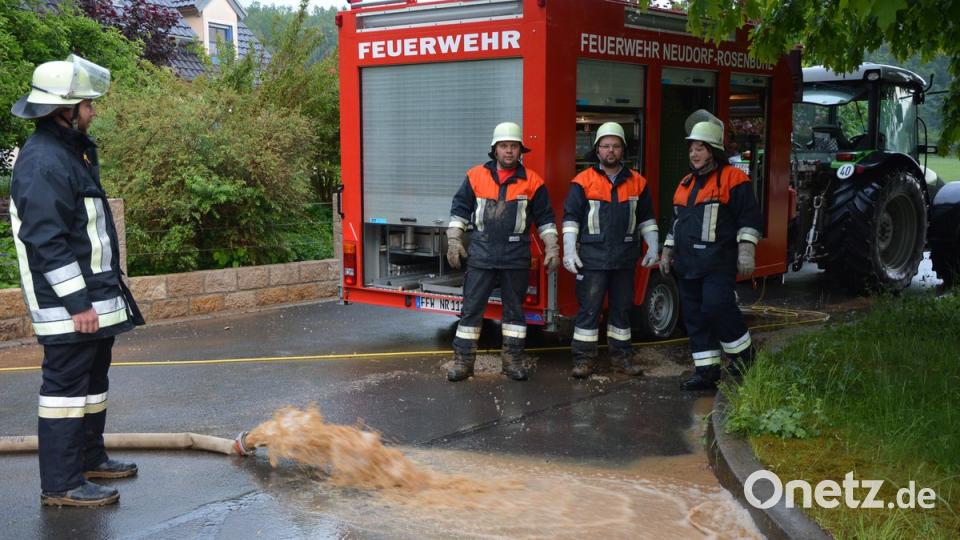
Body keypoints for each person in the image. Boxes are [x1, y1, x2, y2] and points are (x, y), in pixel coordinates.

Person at [10, 55, 144, 506]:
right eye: (86, 105)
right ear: (62, 111)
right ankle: (62, 485)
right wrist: (78, 304)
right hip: (72, 308)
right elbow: (47, 242)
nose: (92, 111)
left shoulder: (69, 153)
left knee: (91, 385)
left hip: (93, 302)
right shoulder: (44, 163)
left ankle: (89, 459)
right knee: (65, 394)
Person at [446, 122, 559, 382]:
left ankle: (512, 362)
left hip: (515, 254)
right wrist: (454, 240)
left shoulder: (533, 182)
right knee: (472, 309)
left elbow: (545, 219)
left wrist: (552, 246)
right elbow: (459, 210)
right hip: (482, 253)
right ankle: (463, 362)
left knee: (514, 312)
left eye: (514, 146)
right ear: (494, 149)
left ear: (521, 150)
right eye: (504, 146)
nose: (509, 151)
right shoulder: (475, 176)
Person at [660, 110, 761, 391]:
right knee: (694, 317)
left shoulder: (733, 180)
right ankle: (706, 373)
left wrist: (746, 252)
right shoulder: (684, 184)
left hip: (718, 262)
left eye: (700, 148)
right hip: (687, 264)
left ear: (713, 150)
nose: (693, 154)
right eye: (691, 148)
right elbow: (676, 223)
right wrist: (667, 252)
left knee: (717, 307)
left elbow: (749, 219)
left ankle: (744, 358)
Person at [562, 122, 659, 378]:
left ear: (623, 150)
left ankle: (622, 360)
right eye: (605, 146)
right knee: (589, 310)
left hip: (624, 260)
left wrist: (653, 245)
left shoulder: (638, 182)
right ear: (597, 150)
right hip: (592, 260)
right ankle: (583, 361)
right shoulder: (582, 182)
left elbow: (647, 218)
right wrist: (569, 251)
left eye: (615, 146)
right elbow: (571, 219)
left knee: (621, 311)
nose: (610, 151)